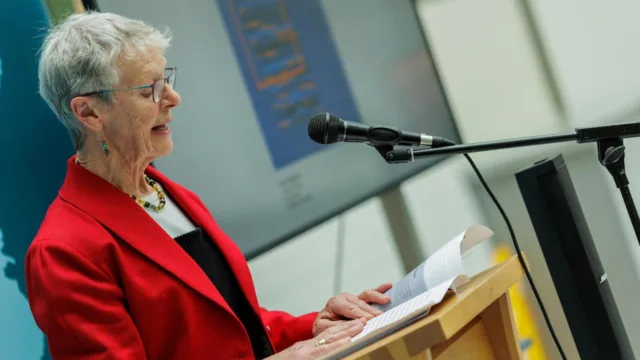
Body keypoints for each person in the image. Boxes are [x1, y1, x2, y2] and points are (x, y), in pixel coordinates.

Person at [25, 11, 392, 360]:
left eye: (166, 80)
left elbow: (234, 330)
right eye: (148, 90)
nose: (172, 98)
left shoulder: (169, 194)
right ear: (89, 113)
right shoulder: (62, 252)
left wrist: (312, 326)